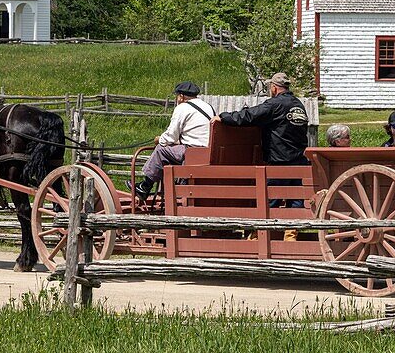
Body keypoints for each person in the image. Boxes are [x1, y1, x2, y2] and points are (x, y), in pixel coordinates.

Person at [212, 72, 309, 241]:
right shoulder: (298, 105)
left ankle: (259, 236)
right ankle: (290, 237)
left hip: (280, 160)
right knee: (295, 200)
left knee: (270, 199)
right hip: (298, 160)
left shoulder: (275, 104)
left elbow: (249, 116)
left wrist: (224, 117)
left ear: (274, 87)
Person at [130, 81, 214, 198]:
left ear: (181, 96)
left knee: (161, 150)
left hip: (191, 152)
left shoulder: (182, 108)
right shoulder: (208, 107)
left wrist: (160, 140)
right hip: (207, 152)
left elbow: (171, 135)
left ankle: (145, 186)